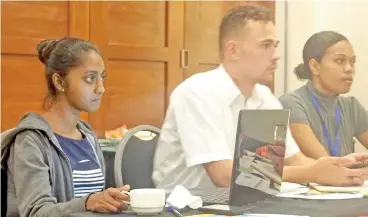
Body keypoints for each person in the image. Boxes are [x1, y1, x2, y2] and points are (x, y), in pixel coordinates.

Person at [152, 5, 368, 192]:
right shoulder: (197, 92)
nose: (275, 56)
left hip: (245, 202)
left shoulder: (264, 97)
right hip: (188, 206)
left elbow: (295, 161)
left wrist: (338, 170)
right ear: (233, 50)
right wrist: (313, 173)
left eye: (275, 46)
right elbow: (224, 176)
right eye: (266, 46)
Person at [1, 37, 130, 217]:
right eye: (90, 78)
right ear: (59, 82)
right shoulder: (30, 140)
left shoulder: (88, 137)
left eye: (102, 77)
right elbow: (36, 212)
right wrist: (88, 203)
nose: (100, 88)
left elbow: (95, 203)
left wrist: (111, 200)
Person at [279, 31, 368, 159]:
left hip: (346, 178)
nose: (349, 68)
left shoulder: (351, 106)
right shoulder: (292, 103)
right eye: (340, 61)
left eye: (352, 62)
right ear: (315, 66)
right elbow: (325, 166)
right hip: (318, 179)